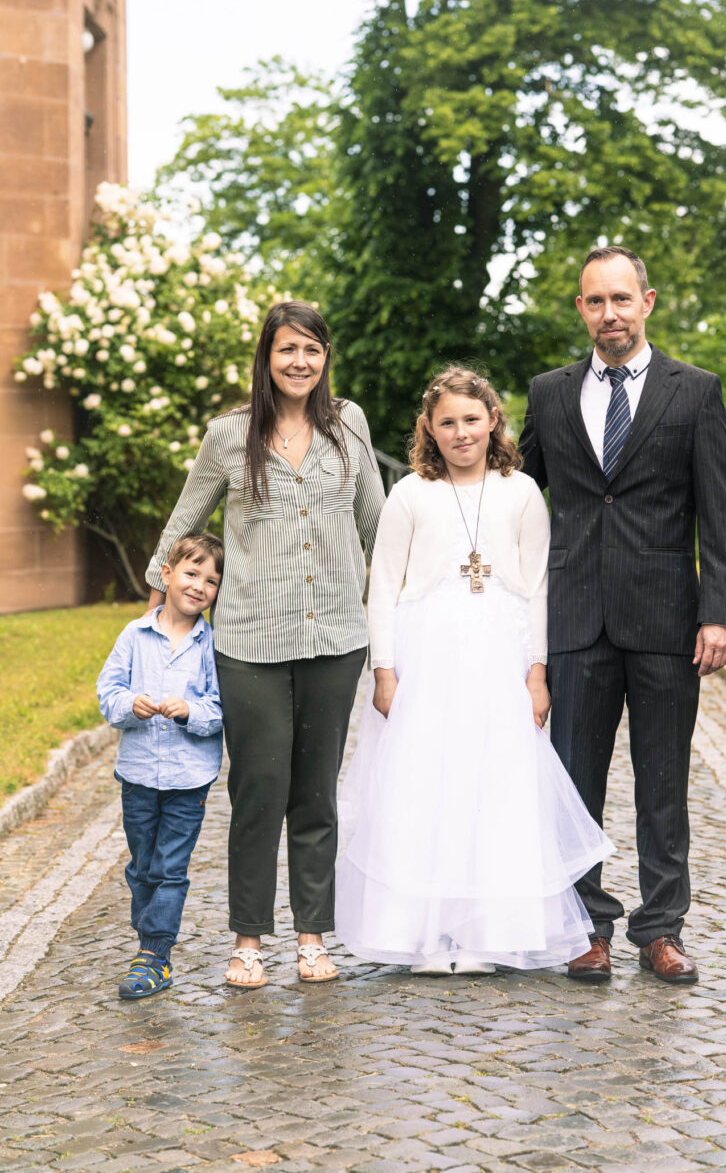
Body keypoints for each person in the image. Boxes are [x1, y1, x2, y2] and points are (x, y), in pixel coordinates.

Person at [335, 367, 614, 974]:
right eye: (447, 423)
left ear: (493, 422)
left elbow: (537, 586)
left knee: (494, 785)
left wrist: (536, 672)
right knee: (426, 784)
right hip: (426, 654)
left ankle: (489, 933)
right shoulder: (411, 493)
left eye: (471, 419)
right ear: (429, 430)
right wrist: (384, 669)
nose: (461, 432)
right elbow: (383, 586)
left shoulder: (521, 492)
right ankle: (427, 936)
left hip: (500, 655)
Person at [144, 301, 385, 988]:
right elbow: (184, 522)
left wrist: (408, 608)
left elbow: (378, 524)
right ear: (267, 357)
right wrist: (158, 614)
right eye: (287, 349)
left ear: (325, 357)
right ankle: (247, 940)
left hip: (336, 638)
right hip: (249, 644)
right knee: (258, 790)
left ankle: (312, 938)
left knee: (316, 793)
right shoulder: (229, 434)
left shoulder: (350, 424)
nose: (299, 362)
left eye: (311, 349)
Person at [520, 246, 726, 984]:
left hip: (666, 621)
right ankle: (585, 927)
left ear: (647, 302)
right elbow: (515, 494)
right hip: (575, 619)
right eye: (595, 301)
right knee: (574, 784)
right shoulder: (549, 394)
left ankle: (660, 929)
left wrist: (719, 613)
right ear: (580, 309)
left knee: (663, 784)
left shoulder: (695, 391)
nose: (609, 313)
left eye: (621, 299)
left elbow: (720, 511)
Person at [97, 532, 224, 999]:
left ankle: (154, 954)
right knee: (142, 867)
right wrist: (131, 705)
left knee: (169, 868)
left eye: (211, 581)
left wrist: (190, 711)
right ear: (167, 575)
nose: (199, 586)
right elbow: (108, 693)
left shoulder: (211, 645)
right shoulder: (134, 635)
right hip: (138, 775)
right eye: (191, 573)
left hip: (189, 779)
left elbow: (220, 708)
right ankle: (148, 944)